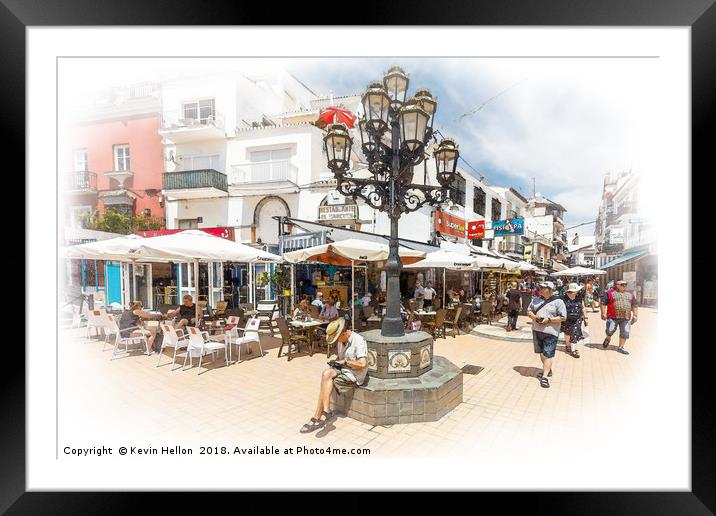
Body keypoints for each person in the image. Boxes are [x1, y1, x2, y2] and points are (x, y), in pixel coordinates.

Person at [300, 318, 368, 433]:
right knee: (326, 374)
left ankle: (317, 417)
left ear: (344, 332)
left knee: (324, 384)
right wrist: (336, 362)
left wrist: (345, 362)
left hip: (355, 374)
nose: (337, 341)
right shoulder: (342, 340)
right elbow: (341, 358)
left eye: (337, 338)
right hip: (344, 369)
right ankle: (326, 410)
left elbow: (362, 364)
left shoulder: (359, 341)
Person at [527, 282, 567, 388]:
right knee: (541, 353)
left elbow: (563, 317)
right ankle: (548, 369)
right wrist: (535, 318)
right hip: (537, 330)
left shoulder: (558, 302)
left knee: (548, 354)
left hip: (551, 332)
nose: (540, 289)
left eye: (543, 287)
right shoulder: (536, 299)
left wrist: (548, 320)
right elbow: (529, 311)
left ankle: (544, 377)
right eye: (540, 287)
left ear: (550, 289)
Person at [600, 279, 638, 355]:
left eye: (625, 284)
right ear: (616, 285)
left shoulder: (630, 294)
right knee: (610, 330)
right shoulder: (609, 293)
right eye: (622, 284)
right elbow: (603, 303)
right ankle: (608, 338)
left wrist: (635, 315)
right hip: (612, 317)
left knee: (625, 332)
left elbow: (634, 305)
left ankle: (621, 347)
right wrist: (603, 313)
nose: (624, 286)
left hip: (626, 317)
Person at [561, 283, 587, 358]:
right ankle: (567, 345)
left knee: (574, 333)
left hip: (577, 319)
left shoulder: (579, 298)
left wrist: (586, 317)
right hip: (566, 319)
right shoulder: (563, 298)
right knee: (567, 333)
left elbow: (583, 307)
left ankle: (573, 350)